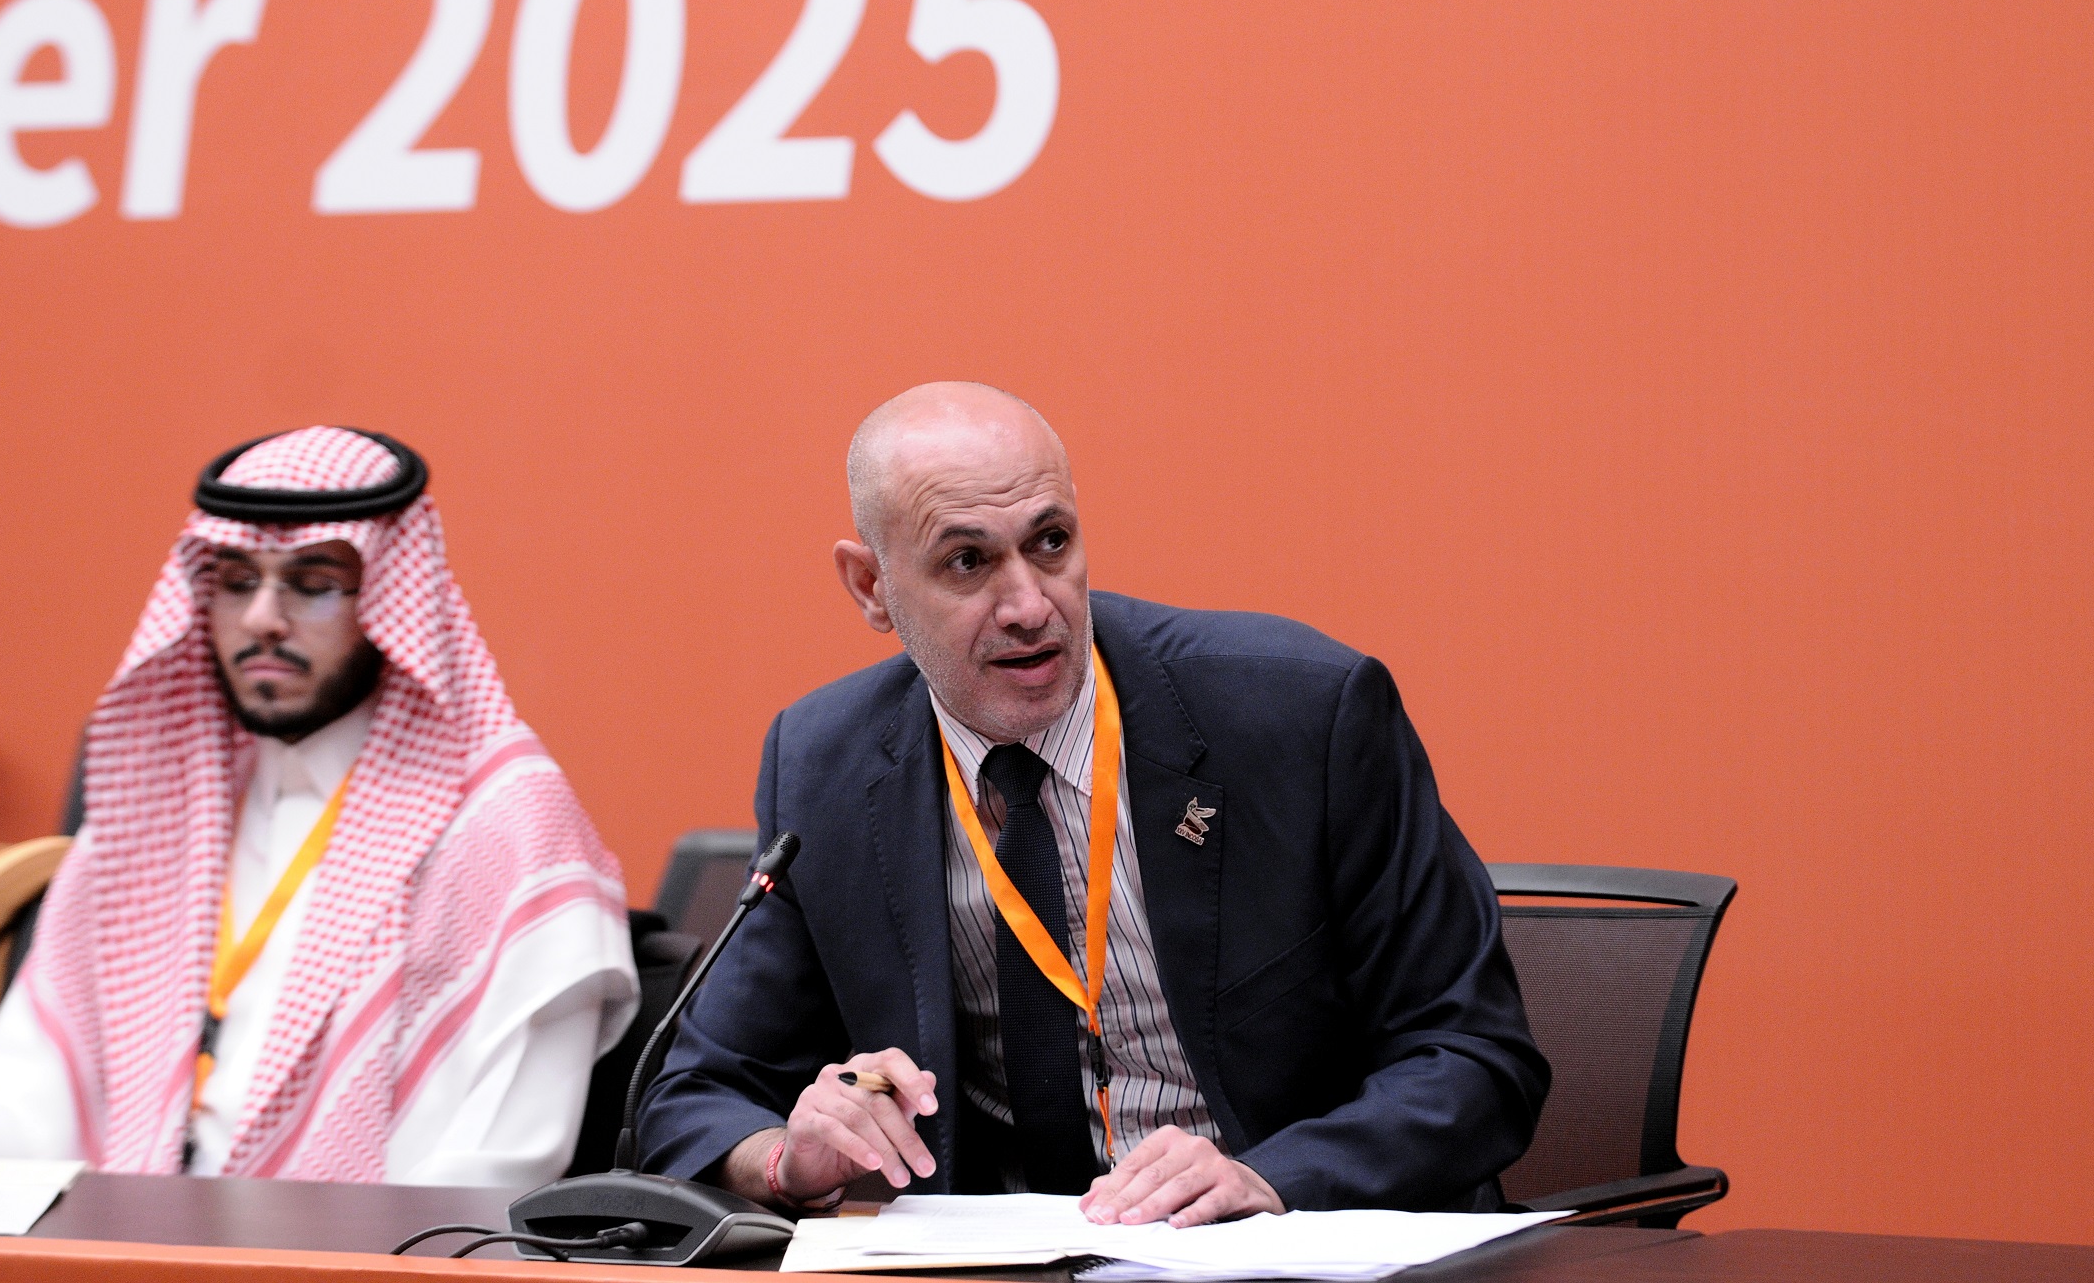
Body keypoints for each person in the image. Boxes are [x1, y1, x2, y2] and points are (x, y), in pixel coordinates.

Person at [638, 383, 1548, 1225]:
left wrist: (1276, 1178)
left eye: (1050, 543)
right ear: (872, 587)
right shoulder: (827, 763)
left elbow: (1476, 1058)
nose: (1029, 605)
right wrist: (787, 1157)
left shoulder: (1302, 717)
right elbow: (696, 1097)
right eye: (967, 561)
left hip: (1299, 1251)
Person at [0, 427, 637, 1186]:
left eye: (312, 584)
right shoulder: (159, 796)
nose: (261, 619)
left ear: (392, 600)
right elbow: (17, 1116)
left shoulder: (506, 826)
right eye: (237, 581)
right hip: (120, 1237)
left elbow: (491, 1176)